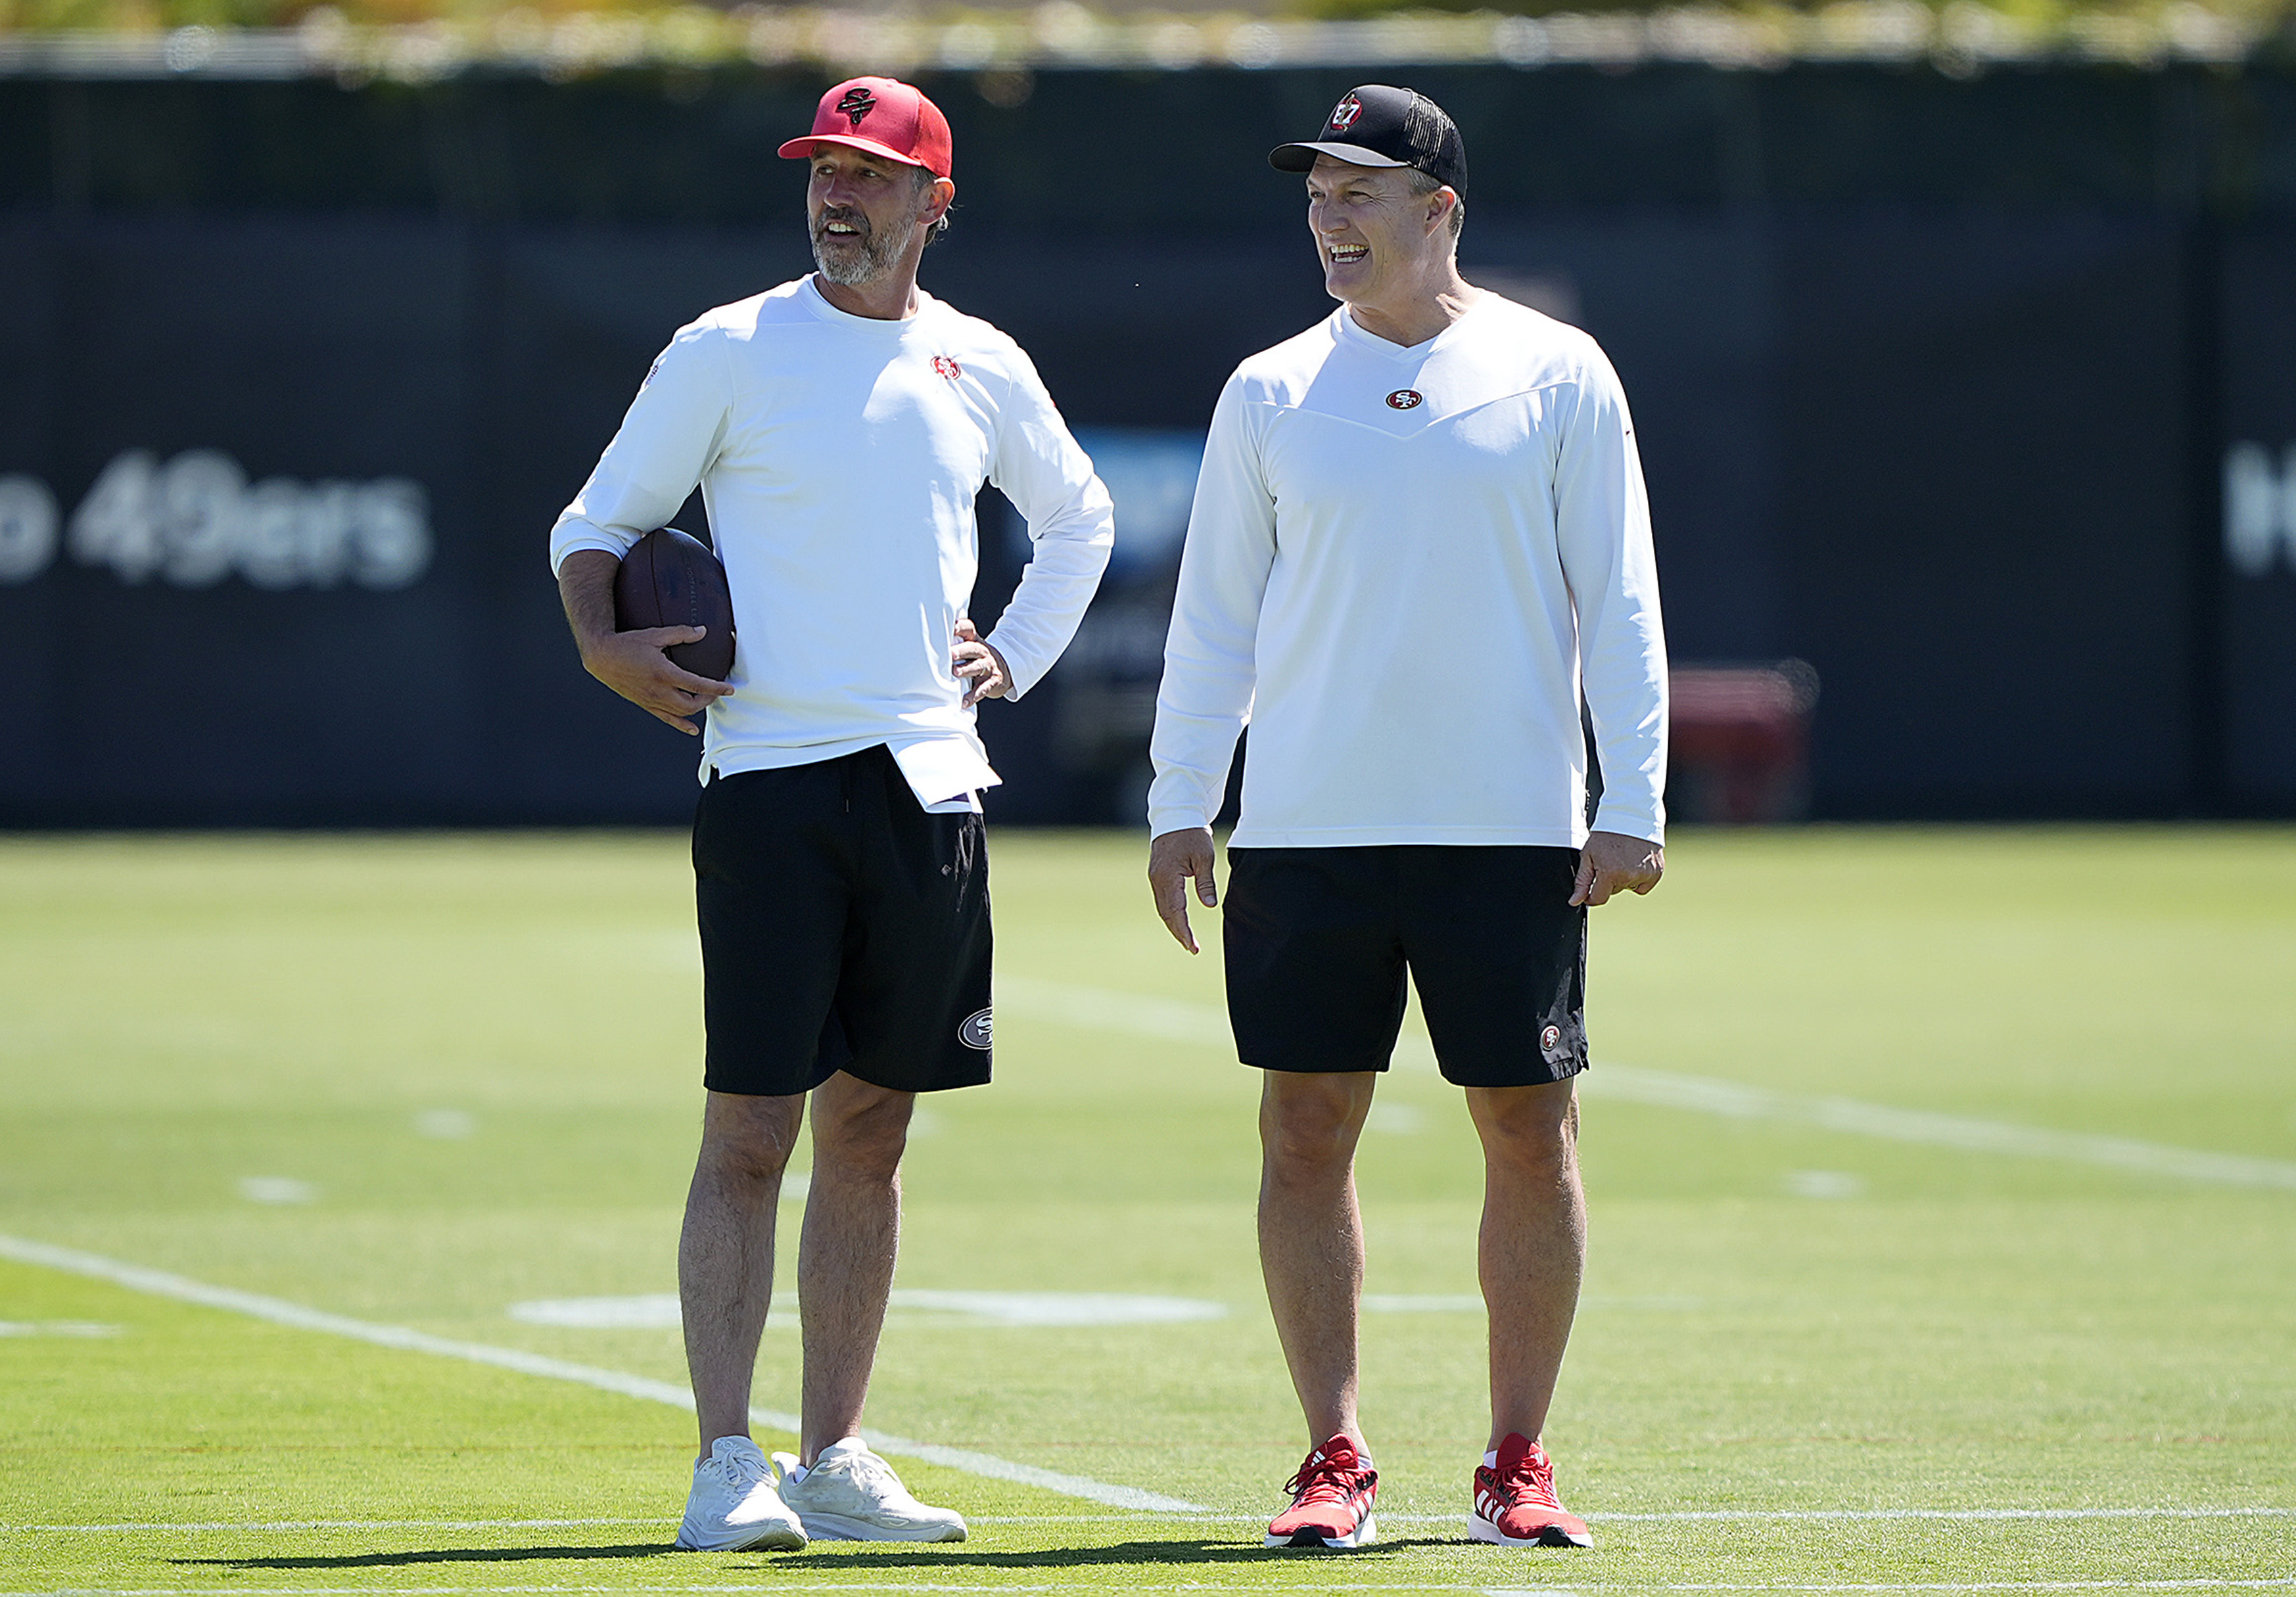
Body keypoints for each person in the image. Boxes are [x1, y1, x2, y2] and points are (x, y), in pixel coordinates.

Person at [550, 75, 1113, 1553]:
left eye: (870, 175)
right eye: (822, 170)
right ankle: (723, 1463)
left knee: (874, 1135)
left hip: (931, 786)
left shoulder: (977, 360)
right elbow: (595, 524)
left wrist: (1015, 651)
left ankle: (838, 1457)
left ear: (936, 204)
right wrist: (603, 644)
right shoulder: (727, 348)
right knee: (751, 1129)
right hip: (770, 787)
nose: (836, 197)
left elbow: (1080, 517)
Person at [1144, 84, 1668, 1554]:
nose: (1329, 212)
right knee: (1304, 1131)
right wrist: (1184, 800)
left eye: (1361, 189)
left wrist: (1635, 795)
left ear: (1440, 211)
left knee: (1528, 1128)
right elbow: (1215, 619)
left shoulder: (1559, 373)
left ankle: (1519, 1458)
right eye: (1317, 189)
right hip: (1309, 832)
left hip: (1512, 831)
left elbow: (1619, 597)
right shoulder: (1267, 390)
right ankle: (1333, 1455)